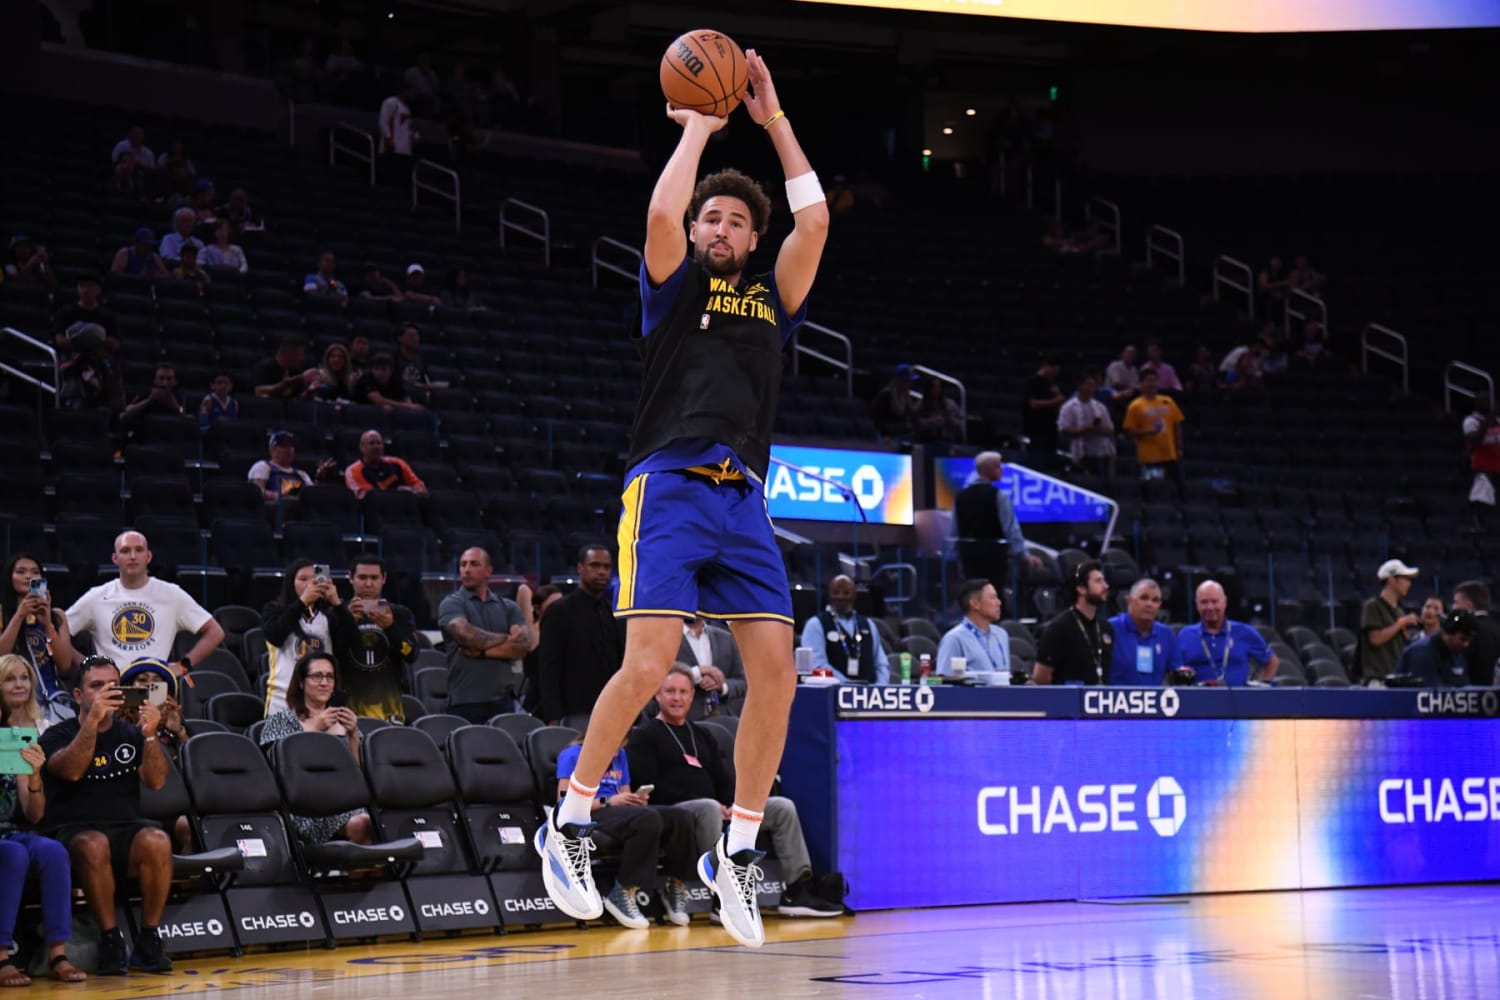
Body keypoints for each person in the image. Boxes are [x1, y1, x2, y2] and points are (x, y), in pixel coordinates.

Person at [540, 49, 830, 949]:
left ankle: (737, 854)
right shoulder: (674, 288)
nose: (719, 227)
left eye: (736, 221)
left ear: (753, 239)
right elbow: (663, 209)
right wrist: (701, 126)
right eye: (713, 215)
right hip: (666, 482)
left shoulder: (771, 297)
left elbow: (814, 221)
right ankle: (572, 822)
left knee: (775, 675)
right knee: (647, 661)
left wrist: (774, 120)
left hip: (742, 496)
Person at [627, 666, 844, 921]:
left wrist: (731, 804)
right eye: (670, 691)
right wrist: (713, 804)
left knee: (781, 807)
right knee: (708, 807)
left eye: (683, 692)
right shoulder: (644, 735)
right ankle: (724, 896)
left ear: (691, 696)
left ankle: (797, 889)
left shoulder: (703, 734)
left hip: (716, 808)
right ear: (657, 695)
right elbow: (647, 785)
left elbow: (724, 778)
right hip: (676, 812)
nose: (677, 698)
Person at [39, 655, 173, 975]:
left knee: (157, 840)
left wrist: (151, 734)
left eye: (112, 686)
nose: (105, 692)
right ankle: (111, 939)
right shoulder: (57, 734)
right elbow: (71, 771)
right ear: (78, 695)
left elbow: (156, 781)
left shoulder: (131, 733)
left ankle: (148, 939)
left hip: (125, 827)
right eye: (96, 686)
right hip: (74, 829)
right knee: (94, 843)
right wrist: (91, 725)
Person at [554, 730, 699, 929]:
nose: (616, 754)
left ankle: (675, 884)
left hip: (617, 812)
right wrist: (608, 801)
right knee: (647, 819)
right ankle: (623, 891)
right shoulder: (572, 755)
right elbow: (563, 803)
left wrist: (635, 800)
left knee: (681, 817)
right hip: (589, 813)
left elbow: (624, 792)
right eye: (613, 748)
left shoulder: (620, 754)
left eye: (620, 748)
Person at [0, 655, 86, 985]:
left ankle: (58, 954)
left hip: (14, 830)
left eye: (25, 678)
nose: (19, 685)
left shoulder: (18, 737)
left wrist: (34, 775)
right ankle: (3, 956)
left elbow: (33, 813)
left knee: (52, 851)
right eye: (10, 679)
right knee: (14, 854)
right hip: (7, 844)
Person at [64, 531, 225, 681]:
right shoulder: (96, 597)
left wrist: (183, 666)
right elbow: (57, 634)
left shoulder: (172, 594)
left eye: (139, 550)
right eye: (125, 551)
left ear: (148, 556)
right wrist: (87, 665)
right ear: (115, 558)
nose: (133, 556)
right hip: (111, 686)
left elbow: (215, 632)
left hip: (155, 686)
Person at [257, 652, 372, 844]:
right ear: (301, 682)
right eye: (317, 676)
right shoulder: (282, 720)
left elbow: (359, 772)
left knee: (381, 820)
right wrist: (315, 728)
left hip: (347, 800)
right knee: (362, 822)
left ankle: (365, 873)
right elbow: (276, 768)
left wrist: (353, 735)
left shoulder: (344, 720)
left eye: (329, 677)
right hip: (305, 806)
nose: (324, 683)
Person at [438, 548, 534, 723]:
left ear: (489, 571)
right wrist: (506, 638)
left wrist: (482, 652)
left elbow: (524, 644)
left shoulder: (508, 606)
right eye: (463, 564)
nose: (466, 569)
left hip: (504, 702)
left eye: (474, 564)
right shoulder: (451, 603)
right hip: (464, 702)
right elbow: (466, 636)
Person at [538, 546, 625, 724]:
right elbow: (548, 667)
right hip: (572, 711)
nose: (601, 572)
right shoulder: (559, 611)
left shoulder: (613, 611)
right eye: (594, 565)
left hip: (610, 708)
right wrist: (553, 716)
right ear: (580, 568)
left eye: (606, 567)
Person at [261, 559, 358, 716]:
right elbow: (275, 635)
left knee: (321, 741)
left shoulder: (329, 615)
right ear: (290, 582)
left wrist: (338, 605)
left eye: (315, 579)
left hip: (322, 700)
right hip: (283, 698)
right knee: (282, 741)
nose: (310, 584)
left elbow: (351, 643)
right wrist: (302, 602)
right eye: (303, 579)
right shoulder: (274, 610)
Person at [953, 451, 1044, 598]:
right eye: (998, 466)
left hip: (969, 560)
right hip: (994, 561)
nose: (1001, 469)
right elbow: (1011, 530)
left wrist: (958, 561)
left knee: (975, 600)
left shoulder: (960, 497)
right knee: (994, 600)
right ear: (987, 469)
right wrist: (1023, 555)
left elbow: (954, 532)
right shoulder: (998, 496)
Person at [0, 554, 79, 717]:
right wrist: (19, 616)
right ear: (10, 577)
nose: (28, 576)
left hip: (46, 698)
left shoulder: (57, 616)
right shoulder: (2, 614)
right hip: (9, 700)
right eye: (21, 571)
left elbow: (64, 663)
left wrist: (48, 624)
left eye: (34, 572)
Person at [343, 554, 417, 722]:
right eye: (362, 577)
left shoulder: (400, 614)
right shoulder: (338, 613)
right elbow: (330, 655)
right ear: (351, 578)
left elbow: (412, 655)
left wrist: (391, 628)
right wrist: (347, 622)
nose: (368, 584)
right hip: (347, 709)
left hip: (390, 708)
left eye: (374, 577)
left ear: (384, 579)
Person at [1177, 580, 1279, 686]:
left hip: (1237, 700)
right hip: (1198, 700)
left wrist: (1261, 688)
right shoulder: (1185, 635)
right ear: (1197, 604)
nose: (1210, 607)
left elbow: (1272, 661)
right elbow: (1176, 671)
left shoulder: (1245, 632)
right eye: (1204, 602)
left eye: (1214, 601)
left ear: (1224, 602)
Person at [798, 574, 889, 685]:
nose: (841, 597)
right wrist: (847, 686)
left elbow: (881, 664)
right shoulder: (815, 624)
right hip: (831, 694)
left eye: (846, 593)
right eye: (836, 592)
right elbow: (817, 664)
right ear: (829, 595)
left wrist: (879, 688)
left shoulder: (868, 624)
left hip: (869, 695)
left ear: (854, 595)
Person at [1033, 561, 1113, 685]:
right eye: (1098, 581)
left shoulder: (1106, 628)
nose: (1106, 586)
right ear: (1081, 589)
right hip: (1067, 701)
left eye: (1104, 580)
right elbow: (1040, 677)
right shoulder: (1059, 628)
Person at [1357, 560, 1421, 686]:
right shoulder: (1373, 606)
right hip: (1378, 679)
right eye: (1406, 579)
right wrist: (1401, 623)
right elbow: (1375, 639)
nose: (1409, 584)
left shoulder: (1399, 611)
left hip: (1397, 678)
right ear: (1392, 580)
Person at [1106, 578, 1179, 686]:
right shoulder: (1110, 628)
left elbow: (1177, 674)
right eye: (1144, 598)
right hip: (1117, 700)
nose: (1149, 604)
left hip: (1155, 701)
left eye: (1155, 600)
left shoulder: (1167, 634)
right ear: (1130, 601)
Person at [935, 579, 1010, 680]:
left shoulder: (1001, 635)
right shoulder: (954, 639)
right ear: (975, 604)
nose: (999, 603)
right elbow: (943, 681)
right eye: (993, 598)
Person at [1122, 368, 1185, 482]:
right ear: (1141, 384)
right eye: (1148, 380)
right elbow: (1129, 431)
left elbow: (1177, 425)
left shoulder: (1168, 401)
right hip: (1148, 457)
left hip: (1170, 454)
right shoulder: (1135, 406)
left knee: (1175, 487)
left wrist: (1179, 447)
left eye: (1154, 380)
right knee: (1151, 487)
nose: (1152, 384)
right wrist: (1148, 432)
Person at [677, 615, 747, 716]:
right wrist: (696, 673)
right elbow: (657, 678)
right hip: (682, 721)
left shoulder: (726, 638)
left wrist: (722, 686)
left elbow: (744, 682)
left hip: (721, 720)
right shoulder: (666, 638)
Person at [1057, 369, 1115, 480]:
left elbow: (1110, 429)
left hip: (1100, 453)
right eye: (1088, 385)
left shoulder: (1100, 407)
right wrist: (1086, 430)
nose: (1091, 389)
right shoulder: (1068, 407)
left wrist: (1097, 429)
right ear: (1079, 386)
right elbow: (1064, 430)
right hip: (1079, 453)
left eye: (1093, 385)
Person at [1393, 610, 1476, 688]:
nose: (1466, 644)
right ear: (1448, 633)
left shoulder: (1457, 653)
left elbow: (1464, 687)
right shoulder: (1422, 652)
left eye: (1469, 640)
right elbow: (1429, 694)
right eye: (1463, 639)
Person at [344, 429, 428, 498]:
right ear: (362, 447)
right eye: (371, 443)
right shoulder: (352, 471)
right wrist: (398, 493)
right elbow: (367, 498)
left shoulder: (398, 463)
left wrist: (411, 490)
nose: (376, 446)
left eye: (379, 443)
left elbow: (422, 490)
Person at [520, 584, 563, 715]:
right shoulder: (533, 632)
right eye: (553, 605)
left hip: (562, 697)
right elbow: (523, 590)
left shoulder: (566, 631)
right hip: (537, 700)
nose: (559, 608)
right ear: (538, 609)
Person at [1451, 581, 1500, 686]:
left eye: (1456, 602)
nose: (1453, 607)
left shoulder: (1464, 631)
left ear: (1468, 604)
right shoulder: (1496, 629)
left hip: (1470, 695)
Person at [1463, 395, 1500, 532]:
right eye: (1486, 401)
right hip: (1481, 469)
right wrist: (1488, 420)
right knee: (1481, 500)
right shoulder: (1471, 421)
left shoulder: (1498, 421)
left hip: (1498, 467)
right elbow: (1475, 440)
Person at [1022, 355, 1065, 468]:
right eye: (1054, 370)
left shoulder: (1052, 383)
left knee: (1050, 463)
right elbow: (1033, 403)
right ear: (1046, 366)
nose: (1056, 373)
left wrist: (1057, 398)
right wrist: (1055, 401)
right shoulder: (1032, 382)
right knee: (1037, 462)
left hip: (1051, 429)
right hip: (1036, 429)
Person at [248, 428, 313, 502]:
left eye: (291, 445)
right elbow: (257, 492)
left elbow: (313, 497)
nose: (289, 449)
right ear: (272, 450)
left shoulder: (302, 474)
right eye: (284, 445)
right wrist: (277, 496)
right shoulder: (262, 466)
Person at [870, 364, 918, 443]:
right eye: (908, 381)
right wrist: (885, 435)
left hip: (904, 433)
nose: (910, 383)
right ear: (901, 381)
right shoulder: (885, 395)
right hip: (889, 436)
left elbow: (910, 416)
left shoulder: (906, 396)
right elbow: (878, 418)